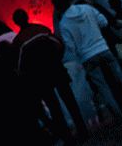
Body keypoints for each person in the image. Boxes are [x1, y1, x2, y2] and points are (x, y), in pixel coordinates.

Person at [52, 0, 122, 121]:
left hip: (88, 58)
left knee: (104, 88)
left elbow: (70, 47)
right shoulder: (86, 8)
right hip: (103, 49)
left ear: (57, 7)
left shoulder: (64, 23)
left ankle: (120, 117)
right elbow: (104, 22)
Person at [13, 9, 88, 144]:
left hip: (40, 79)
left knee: (54, 108)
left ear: (16, 22)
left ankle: (67, 137)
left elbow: (20, 67)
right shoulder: (41, 29)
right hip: (56, 69)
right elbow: (59, 44)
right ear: (27, 17)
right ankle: (83, 130)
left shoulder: (19, 42)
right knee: (70, 101)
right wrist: (56, 59)